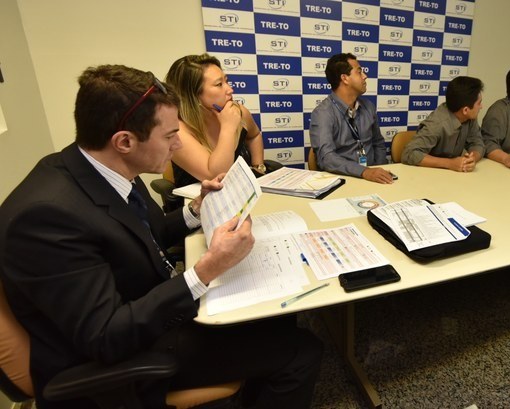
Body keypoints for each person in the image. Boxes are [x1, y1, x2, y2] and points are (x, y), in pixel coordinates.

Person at [0, 65, 322, 409]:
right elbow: (106, 337)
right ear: (124, 141)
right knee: (302, 350)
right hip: (120, 356)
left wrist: (195, 210)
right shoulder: (46, 217)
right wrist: (205, 271)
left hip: (144, 306)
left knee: (278, 313)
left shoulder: (107, 165)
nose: (180, 144)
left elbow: (143, 232)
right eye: (170, 136)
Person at [166, 53, 268, 187]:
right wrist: (228, 128)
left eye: (226, 81)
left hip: (240, 194)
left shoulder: (238, 111)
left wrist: (258, 167)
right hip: (196, 203)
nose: (230, 89)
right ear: (193, 95)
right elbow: (216, 177)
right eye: (219, 84)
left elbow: (254, 136)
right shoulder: (177, 131)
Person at [309, 53, 392, 183]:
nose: (365, 76)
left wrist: (379, 170)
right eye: (359, 72)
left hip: (374, 178)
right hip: (343, 180)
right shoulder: (322, 113)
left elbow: (378, 144)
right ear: (345, 78)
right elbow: (327, 158)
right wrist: (364, 172)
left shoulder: (368, 107)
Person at [402, 76, 485, 172]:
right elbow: (409, 154)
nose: (481, 107)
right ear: (465, 110)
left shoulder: (470, 117)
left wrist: (472, 159)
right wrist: (449, 163)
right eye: (479, 103)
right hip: (427, 175)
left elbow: (477, 143)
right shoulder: (437, 124)